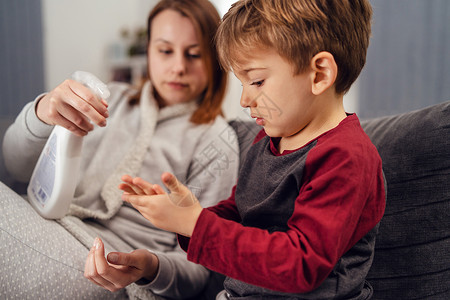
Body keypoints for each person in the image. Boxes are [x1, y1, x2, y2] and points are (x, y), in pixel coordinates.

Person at [119, 0, 387, 299]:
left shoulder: (346, 158)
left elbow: (302, 265)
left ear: (319, 74)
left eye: (257, 81)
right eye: (242, 82)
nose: (245, 99)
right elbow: (241, 214)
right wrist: (188, 215)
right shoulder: (267, 142)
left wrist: (198, 224)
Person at [1, 0, 239, 299]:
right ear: (149, 49)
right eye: (165, 51)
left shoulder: (217, 141)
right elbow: (14, 166)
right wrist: (41, 111)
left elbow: (201, 269)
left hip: (103, 263)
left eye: (194, 54)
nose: (178, 67)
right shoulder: (110, 97)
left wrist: (150, 267)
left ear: (215, 60)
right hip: (45, 221)